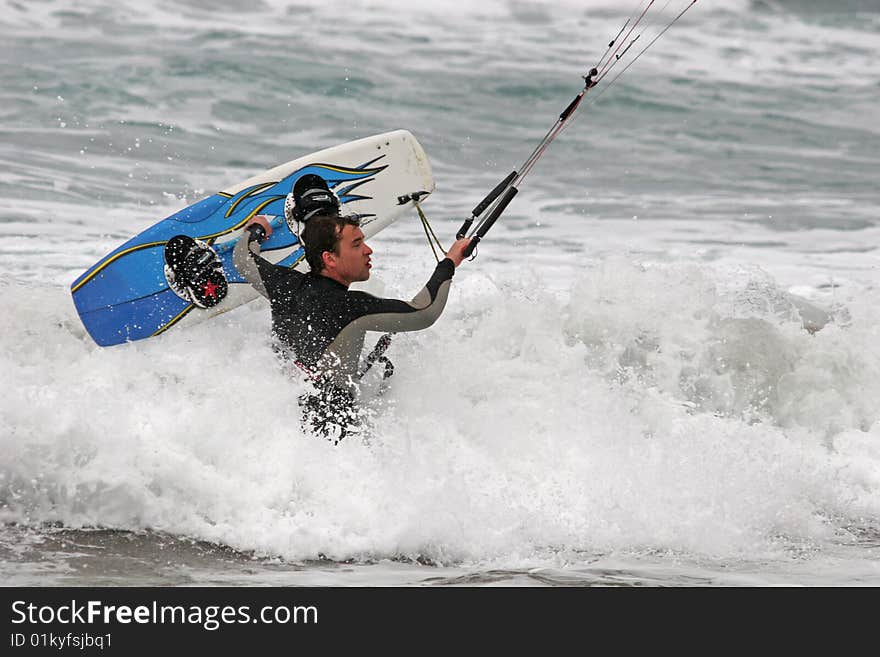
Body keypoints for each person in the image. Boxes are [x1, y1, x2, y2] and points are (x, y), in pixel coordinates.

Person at [233, 173, 471, 442]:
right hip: (335, 437)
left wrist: (256, 230)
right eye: (357, 244)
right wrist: (450, 261)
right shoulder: (350, 307)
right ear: (329, 258)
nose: (368, 250)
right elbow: (424, 311)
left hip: (285, 422)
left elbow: (242, 259)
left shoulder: (284, 285)